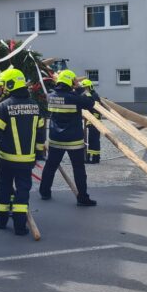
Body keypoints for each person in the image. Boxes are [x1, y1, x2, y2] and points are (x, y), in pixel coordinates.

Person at [0, 67, 44, 237]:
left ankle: (1, 221)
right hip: (27, 160)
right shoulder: (35, 107)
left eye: (3, 86)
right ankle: (20, 226)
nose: (1, 89)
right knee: (22, 191)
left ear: (10, 85)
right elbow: (40, 135)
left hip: (7, 159)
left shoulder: (3, 107)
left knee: (4, 187)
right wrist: (39, 155)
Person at [39, 69, 98, 206]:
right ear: (70, 82)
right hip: (74, 140)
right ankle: (82, 198)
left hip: (55, 139)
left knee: (50, 167)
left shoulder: (50, 96)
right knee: (78, 169)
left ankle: (45, 192)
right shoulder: (74, 97)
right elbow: (90, 103)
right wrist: (80, 89)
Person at [79, 78, 102, 164]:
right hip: (92, 121)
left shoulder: (94, 95)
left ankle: (94, 158)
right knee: (92, 140)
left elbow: (96, 109)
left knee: (94, 140)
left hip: (95, 121)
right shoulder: (91, 95)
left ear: (90, 87)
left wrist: (92, 121)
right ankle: (92, 158)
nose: (84, 90)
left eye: (86, 88)